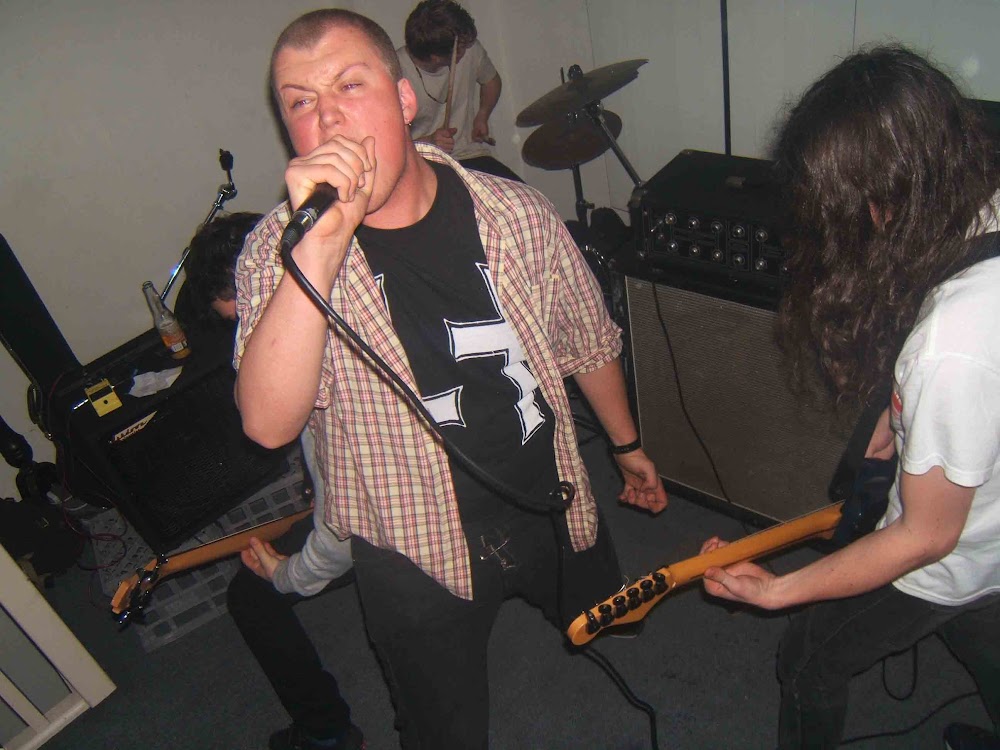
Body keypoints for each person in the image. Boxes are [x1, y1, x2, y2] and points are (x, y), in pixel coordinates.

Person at [233, 9, 667, 749]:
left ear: (404, 100)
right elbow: (269, 424)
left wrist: (626, 446)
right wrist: (321, 248)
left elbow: (585, 340)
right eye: (301, 102)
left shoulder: (514, 212)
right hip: (410, 545)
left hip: (549, 493)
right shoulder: (277, 253)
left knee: (610, 619)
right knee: (441, 730)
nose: (327, 117)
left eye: (349, 85)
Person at [698, 46, 1000, 750]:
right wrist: (902, 415)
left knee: (809, 659)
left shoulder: (951, 345)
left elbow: (926, 537)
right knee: (985, 639)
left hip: (951, 554)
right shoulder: (979, 199)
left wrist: (776, 591)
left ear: (880, 197)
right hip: (989, 529)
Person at [179, 212, 363, 750]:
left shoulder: (321, 388)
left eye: (242, 322)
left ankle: (327, 735)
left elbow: (343, 539)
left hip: (409, 531)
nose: (243, 341)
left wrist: (287, 574)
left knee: (252, 596)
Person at [397, 0, 522, 182]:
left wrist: (482, 115)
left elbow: (491, 81)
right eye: (461, 48)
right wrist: (430, 141)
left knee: (522, 196)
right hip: (423, 162)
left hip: (470, 157)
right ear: (435, 57)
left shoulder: (468, 47)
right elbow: (392, 143)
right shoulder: (394, 72)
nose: (466, 49)